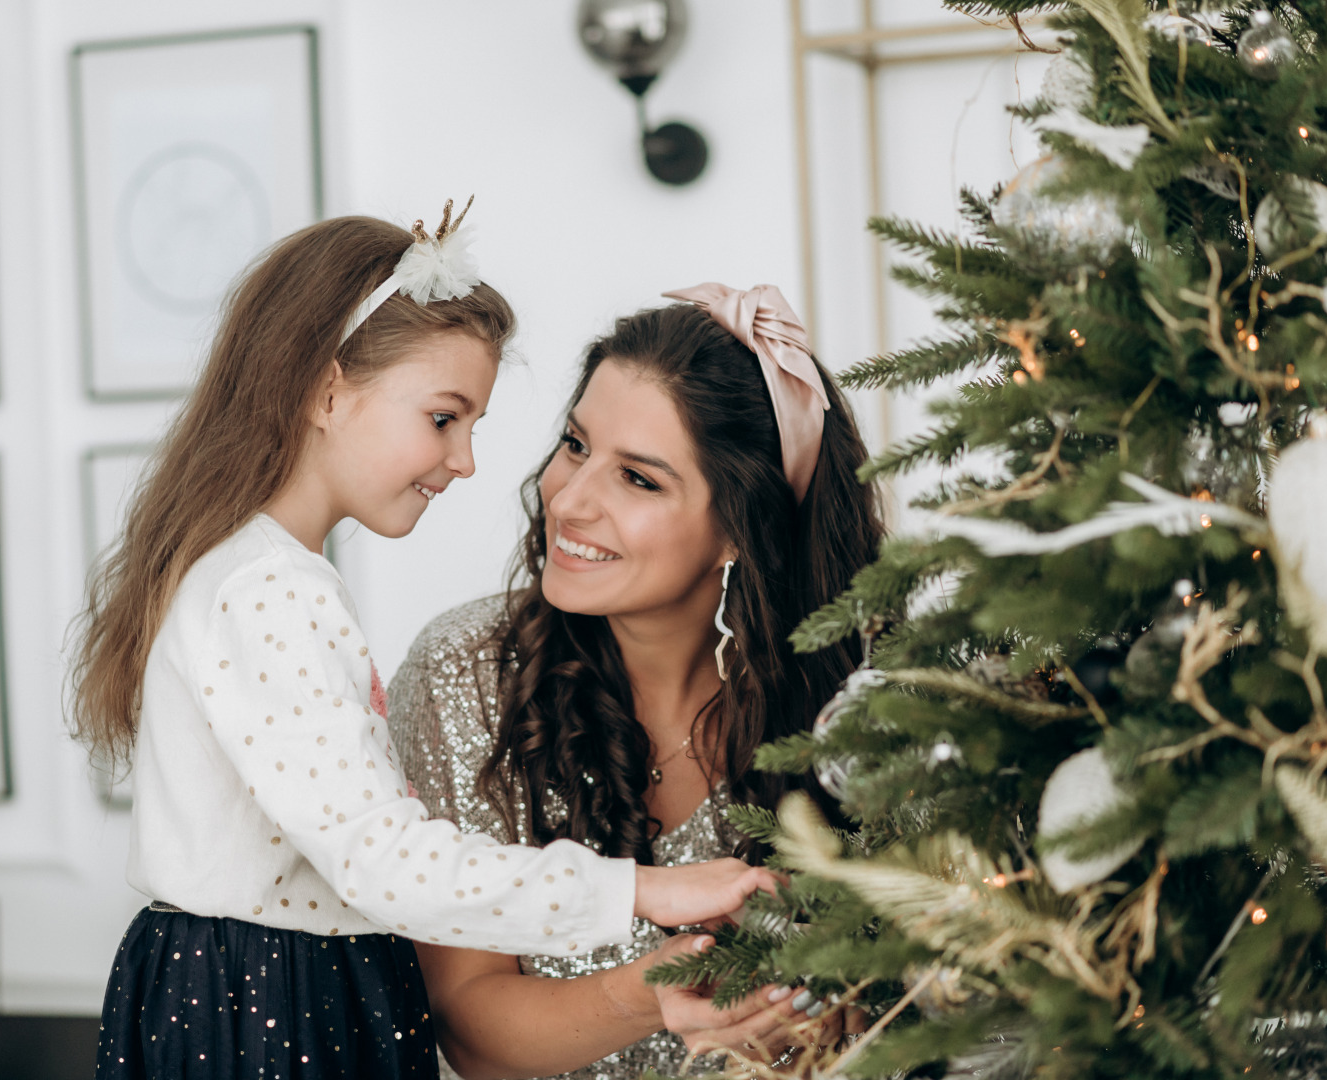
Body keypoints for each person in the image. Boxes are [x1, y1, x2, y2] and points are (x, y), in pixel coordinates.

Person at [67, 209, 777, 1080]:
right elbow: (384, 861)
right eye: (444, 418)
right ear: (327, 393)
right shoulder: (269, 592)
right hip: (264, 1004)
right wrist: (646, 889)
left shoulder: (267, 578)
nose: (470, 461)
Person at [388, 285, 884, 1078]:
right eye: (576, 445)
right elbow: (471, 1034)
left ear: (738, 530)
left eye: (639, 480)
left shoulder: (873, 700)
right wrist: (658, 992)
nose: (570, 498)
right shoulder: (465, 673)